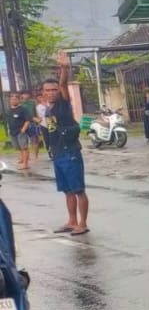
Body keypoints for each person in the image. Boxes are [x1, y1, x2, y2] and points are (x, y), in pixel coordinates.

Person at [41, 53, 89, 235]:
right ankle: (71, 220)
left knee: (78, 189)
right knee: (67, 190)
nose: (52, 92)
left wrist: (63, 68)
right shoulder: (48, 109)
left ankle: (82, 223)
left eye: (54, 90)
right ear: (43, 92)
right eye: (48, 90)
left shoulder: (63, 104)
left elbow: (62, 85)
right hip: (59, 153)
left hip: (71, 152)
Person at [6, 94, 32, 171]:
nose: (13, 101)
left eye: (15, 99)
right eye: (12, 99)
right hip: (12, 132)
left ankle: (25, 164)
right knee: (19, 147)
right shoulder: (9, 109)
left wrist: (23, 129)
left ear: (18, 100)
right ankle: (22, 159)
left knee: (24, 147)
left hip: (21, 131)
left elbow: (28, 120)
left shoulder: (23, 109)